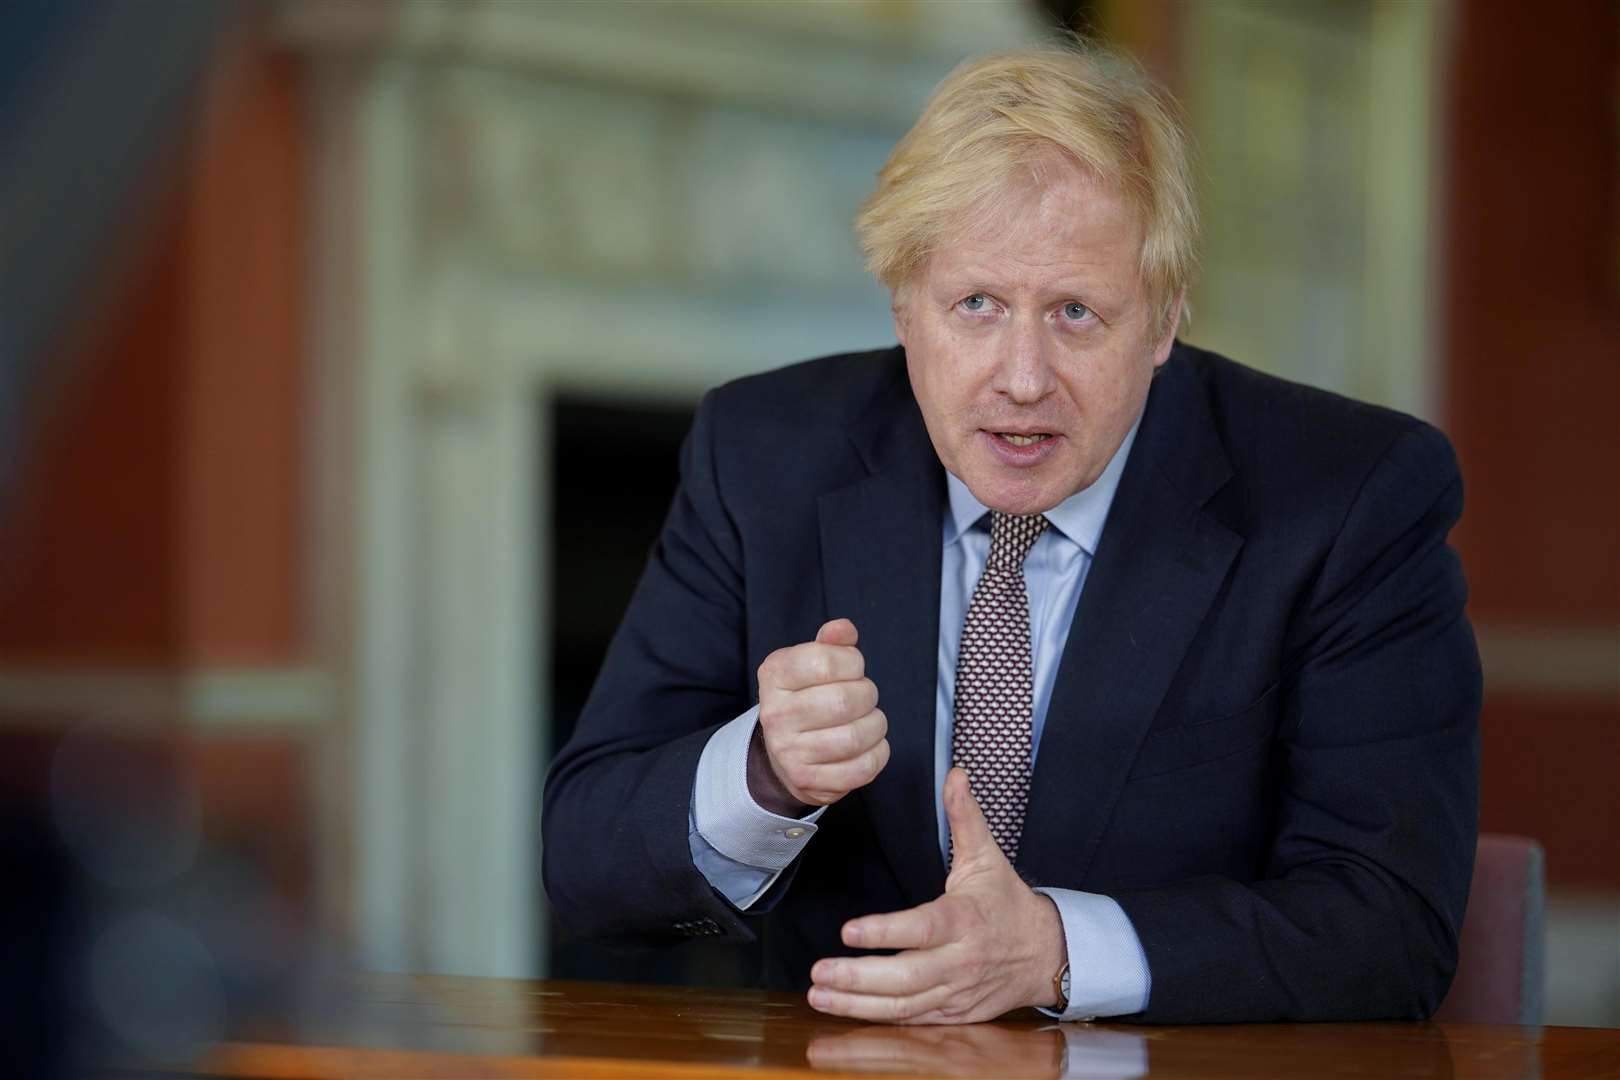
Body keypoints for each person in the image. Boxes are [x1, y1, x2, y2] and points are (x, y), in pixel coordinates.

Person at [541, 40, 1480, 1025]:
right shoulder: (762, 458)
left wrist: (1058, 953)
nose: (1022, 377)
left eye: (1076, 313)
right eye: (976, 305)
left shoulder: (1350, 497)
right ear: (904, 305)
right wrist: (763, 773)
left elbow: (1392, 931)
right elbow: (586, 867)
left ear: (1164, 321)